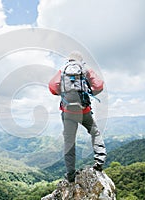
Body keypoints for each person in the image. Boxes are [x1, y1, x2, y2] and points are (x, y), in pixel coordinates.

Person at [48, 51, 107, 182]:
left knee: (69, 142)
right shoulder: (85, 69)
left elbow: (52, 86)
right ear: (80, 60)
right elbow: (99, 85)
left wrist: (62, 93)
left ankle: (70, 175)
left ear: (69, 60)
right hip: (84, 111)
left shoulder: (63, 70)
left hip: (67, 111)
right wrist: (90, 92)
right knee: (95, 132)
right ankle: (100, 160)